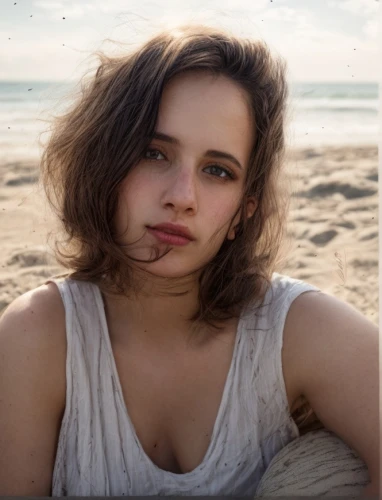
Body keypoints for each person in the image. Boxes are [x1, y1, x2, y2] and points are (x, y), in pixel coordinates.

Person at [0, 23, 379, 497]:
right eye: (154, 153)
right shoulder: (38, 336)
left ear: (245, 209)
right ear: (104, 160)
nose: (182, 197)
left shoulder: (293, 330)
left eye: (218, 170)